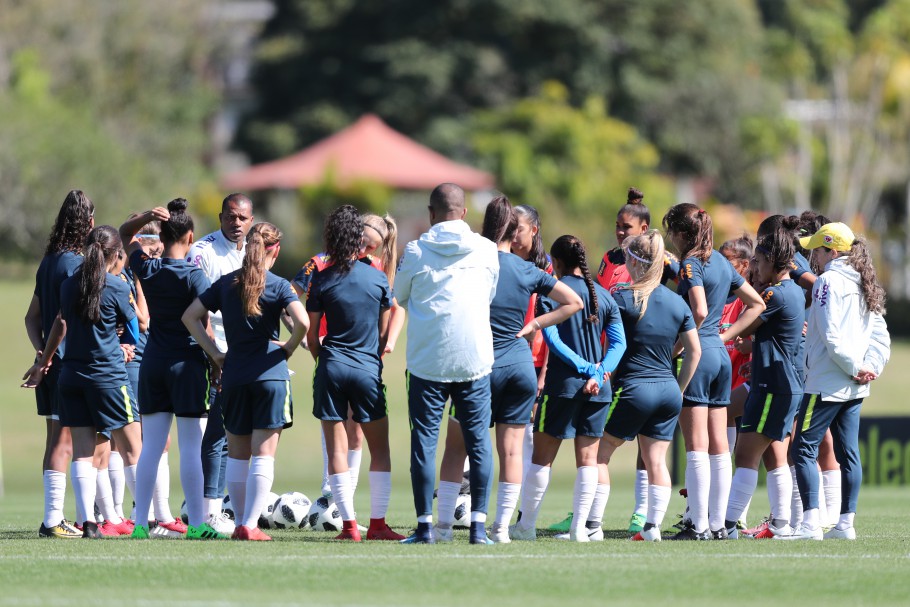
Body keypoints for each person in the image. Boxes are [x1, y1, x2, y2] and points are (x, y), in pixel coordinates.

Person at [434, 196, 583, 544]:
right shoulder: (528, 269)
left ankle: (442, 528)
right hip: (519, 366)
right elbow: (573, 302)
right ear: (516, 234)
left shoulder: (472, 263)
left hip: (479, 365)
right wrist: (536, 324)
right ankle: (501, 529)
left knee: (457, 447)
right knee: (513, 450)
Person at [183, 222, 307, 541]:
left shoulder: (226, 283)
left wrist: (216, 354)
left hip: (234, 374)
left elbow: (190, 317)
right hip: (270, 375)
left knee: (237, 454)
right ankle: (250, 525)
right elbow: (303, 322)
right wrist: (289, 349)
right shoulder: (279, 285)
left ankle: (240, 522)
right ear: (275, 250)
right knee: (263, 455)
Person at [23, 225, 144, 539]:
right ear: (116, 253)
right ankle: (146, 519)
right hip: (108, 377)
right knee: (134, 449)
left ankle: (88, 522)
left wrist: (43, 362)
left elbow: (59, 327)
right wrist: (123, 345)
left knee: (83, 452)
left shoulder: (67, 285)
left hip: (71, 378)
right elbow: (137, 328)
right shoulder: (116, 286)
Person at [395, 183, 499, 545]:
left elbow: (399, 295)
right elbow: (489, 294)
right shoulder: (487, 250)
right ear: (465, 213)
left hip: (427, 359)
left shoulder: (415, 250)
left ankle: (425, 527)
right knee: (479, 443)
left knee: (423, 442)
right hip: (474, 358)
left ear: (430, 213)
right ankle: (479, 529)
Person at [510, 235, 626, 543]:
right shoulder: (604, 296)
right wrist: (600, 373)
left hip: (563, 387)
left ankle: (525, 527)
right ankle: (579, 531)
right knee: (588, 461)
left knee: (541, 458)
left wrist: (588, 370)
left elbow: (553, 341)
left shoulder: (553, 294)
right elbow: (619, 344)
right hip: (598, 389)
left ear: (557, 263)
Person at [589, 230, 701, 542]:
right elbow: (695, 351)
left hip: (633, 390)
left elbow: (602, 339)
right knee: (656, 461)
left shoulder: (623, 297)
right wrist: (678, 390)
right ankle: (652, 529)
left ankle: (592, 526)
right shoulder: (678, 303)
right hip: (667, 392)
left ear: (636, 263)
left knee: (598, 454)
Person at [122, 200, 223, 540]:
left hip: (152, 364)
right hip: (187, 365)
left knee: (150, 446)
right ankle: (196, 524)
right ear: (191, 236)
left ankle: (139, 524)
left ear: (161, 238)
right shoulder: (197, 276)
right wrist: (216, 361)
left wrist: (147, 216)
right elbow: (204, 325)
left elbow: (125, 233)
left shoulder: (148, 270)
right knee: (191, 446)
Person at [662, 203, 764, 540]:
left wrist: (679, 347)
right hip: (720, 357)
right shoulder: (721, 261)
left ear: (680, 233)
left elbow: (700, 310)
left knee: (696, 445)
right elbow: (757, 304)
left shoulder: (692, 263)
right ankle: (721, 525)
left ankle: (697, 525)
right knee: (720, 444)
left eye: (670, 232)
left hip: (700, 355)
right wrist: (726, 336)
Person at [304, 206, 405, 541]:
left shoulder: (321, 276)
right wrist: (374, 355)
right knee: (381, 450)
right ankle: (377, 524)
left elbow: (311, 333)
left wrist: (324, 358)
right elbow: (383, 326)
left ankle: (349, 527)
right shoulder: (377, 277)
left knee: (336, 450)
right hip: (366, 370)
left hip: (331, 367)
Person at [784, 223, 889, 540]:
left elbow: (831, 335)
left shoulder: (827, 281)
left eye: (816, 249)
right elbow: (880, 337)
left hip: (826, 383)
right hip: (854, 385)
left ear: (831, 250)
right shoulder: (865, 280)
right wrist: (868, 367)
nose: (813, 256)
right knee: (849, 453)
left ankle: (811, 523)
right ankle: (845, 524)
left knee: (803, 449)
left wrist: (855, 367)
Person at [720, 227, 806, 539]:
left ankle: (727, 525)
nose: (754, 266)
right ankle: (781, 524)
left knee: (745, 456)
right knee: (774, 456)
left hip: (771, 386)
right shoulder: (795, 291)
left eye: (757, 260)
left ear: (772, 260)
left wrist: (723, 338)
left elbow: (748, 321)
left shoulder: (773, 294)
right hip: (786, 385)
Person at [23, 190, 95, 538]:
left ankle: (53, 517)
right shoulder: (75, 264)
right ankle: (54, 520)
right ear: (88, 223)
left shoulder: (48, 261)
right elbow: (64, 321)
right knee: (67, 443)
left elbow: (30, 318)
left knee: (54, 441)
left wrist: (41, 356)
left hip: (52, 365)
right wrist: (49, 358)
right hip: (67, 365)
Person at [187, 192, 255, 535]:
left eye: (243, 218)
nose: (236, 223)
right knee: (216, 433)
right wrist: (214, 355)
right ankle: (209, 508)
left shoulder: (254, 254)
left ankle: (223, 504)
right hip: (214, 353)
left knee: (236, 433)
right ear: (220, 217)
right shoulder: (202, 252)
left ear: (251, 220)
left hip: (245, 355)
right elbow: (198, 313)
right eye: (231, 216)